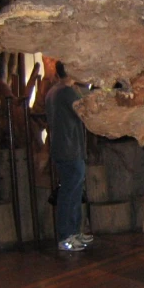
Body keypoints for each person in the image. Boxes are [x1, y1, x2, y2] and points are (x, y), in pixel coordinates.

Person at [45, 61, 92, 252]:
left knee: (73, 191)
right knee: (69, 194)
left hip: (63, 148)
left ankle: (73, 232)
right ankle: (66, 235)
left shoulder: (52, 92)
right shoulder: (66, 93)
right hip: (70, 149)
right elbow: (85, 111)